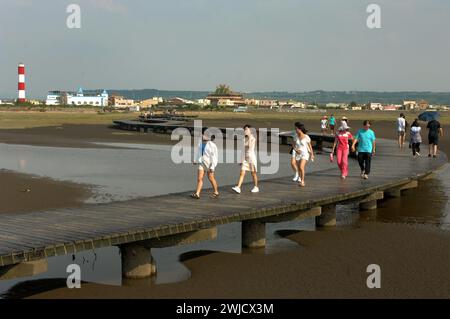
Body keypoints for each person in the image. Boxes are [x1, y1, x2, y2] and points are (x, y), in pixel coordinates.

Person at [191, 130, 219, 199]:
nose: (203, 136)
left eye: (205, 135)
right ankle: (197, 193)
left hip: (209, 164)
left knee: (211, 178)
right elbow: (198, 152)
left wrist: (212, 167)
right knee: (200, 178)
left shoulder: (212, 145)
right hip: (202, 162)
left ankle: (216, 192)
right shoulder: (200, 142)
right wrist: (195, 160)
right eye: (203, 134)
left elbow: (214, 157)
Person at [232, 125, 259, 194]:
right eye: (244, 130)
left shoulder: (253, 138)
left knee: (253, 173)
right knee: (242, 173)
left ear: (250, 130)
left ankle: (256, 187)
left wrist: (249, 136)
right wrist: (241, 159)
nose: (245, 131)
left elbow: (250, 146)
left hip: (251, 158)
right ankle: (238, 187)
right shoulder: (244, 139)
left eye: (247, 130)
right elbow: (243, 150)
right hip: (245, 158)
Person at [293, 122, 315, 187]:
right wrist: (296, 150)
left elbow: (310, 146)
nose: (295, 130)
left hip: (305, 154)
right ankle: (300, 178)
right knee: (299, 169)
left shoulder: (306, 137)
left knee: (301, 167)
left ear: (300, 129)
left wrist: (312, 154)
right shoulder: (295, 136)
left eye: (296, 129)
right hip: (298, 154)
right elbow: (293, 145)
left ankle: (302, 181)